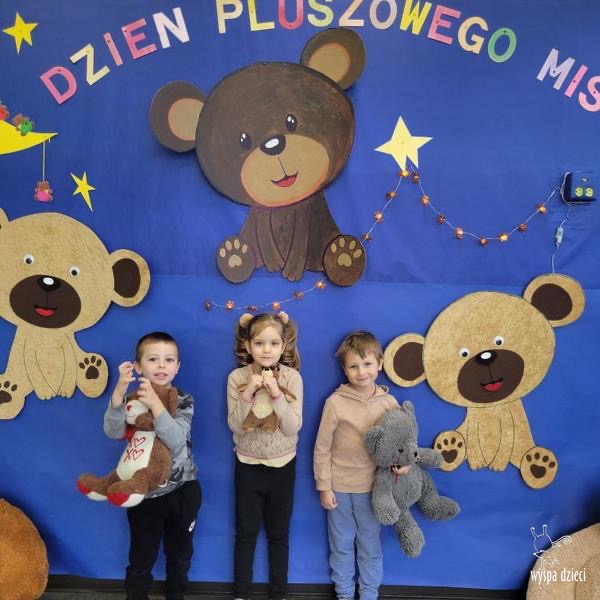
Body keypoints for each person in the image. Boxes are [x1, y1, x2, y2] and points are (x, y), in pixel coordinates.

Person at [104, 331, 201, 600]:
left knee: (180, 555)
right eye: (153, 359)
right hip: (144, 494)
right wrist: (118, 396)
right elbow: (113, 431)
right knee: (141, 557)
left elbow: (177, 440)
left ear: (177, 367)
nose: (161, 365)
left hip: (183, 489)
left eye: (169, 360)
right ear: (138, 366)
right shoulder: (132, 400)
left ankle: (176, 595)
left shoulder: (183, 400)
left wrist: (156, 404)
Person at [314, 331, 409, 600]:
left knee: (370, 544)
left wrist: (404, 465)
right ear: (345, 370)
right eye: (353, 366)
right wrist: (324, 486)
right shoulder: (335, 403)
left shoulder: (389, 403)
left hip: (374, 489)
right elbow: (322, 447)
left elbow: (403, 441)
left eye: (367, 364)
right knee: (341, 544)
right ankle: (344, 593)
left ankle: (368, 593)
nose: (361, 372)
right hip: (340, 489)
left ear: (379, 364)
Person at [227, 311, 303, 600]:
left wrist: (276, 395)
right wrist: (248, 392)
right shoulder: (236, 378)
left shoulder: (293, 378)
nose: (267, 350)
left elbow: (292, 427)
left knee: (278, 534)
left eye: (273, 343)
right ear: (248, 346)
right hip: (247, 464)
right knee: (245, 533)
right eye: (259, 343)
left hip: (283, 466)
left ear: (284, 346)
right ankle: (241, 593)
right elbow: (235, 425)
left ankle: (278, 593)